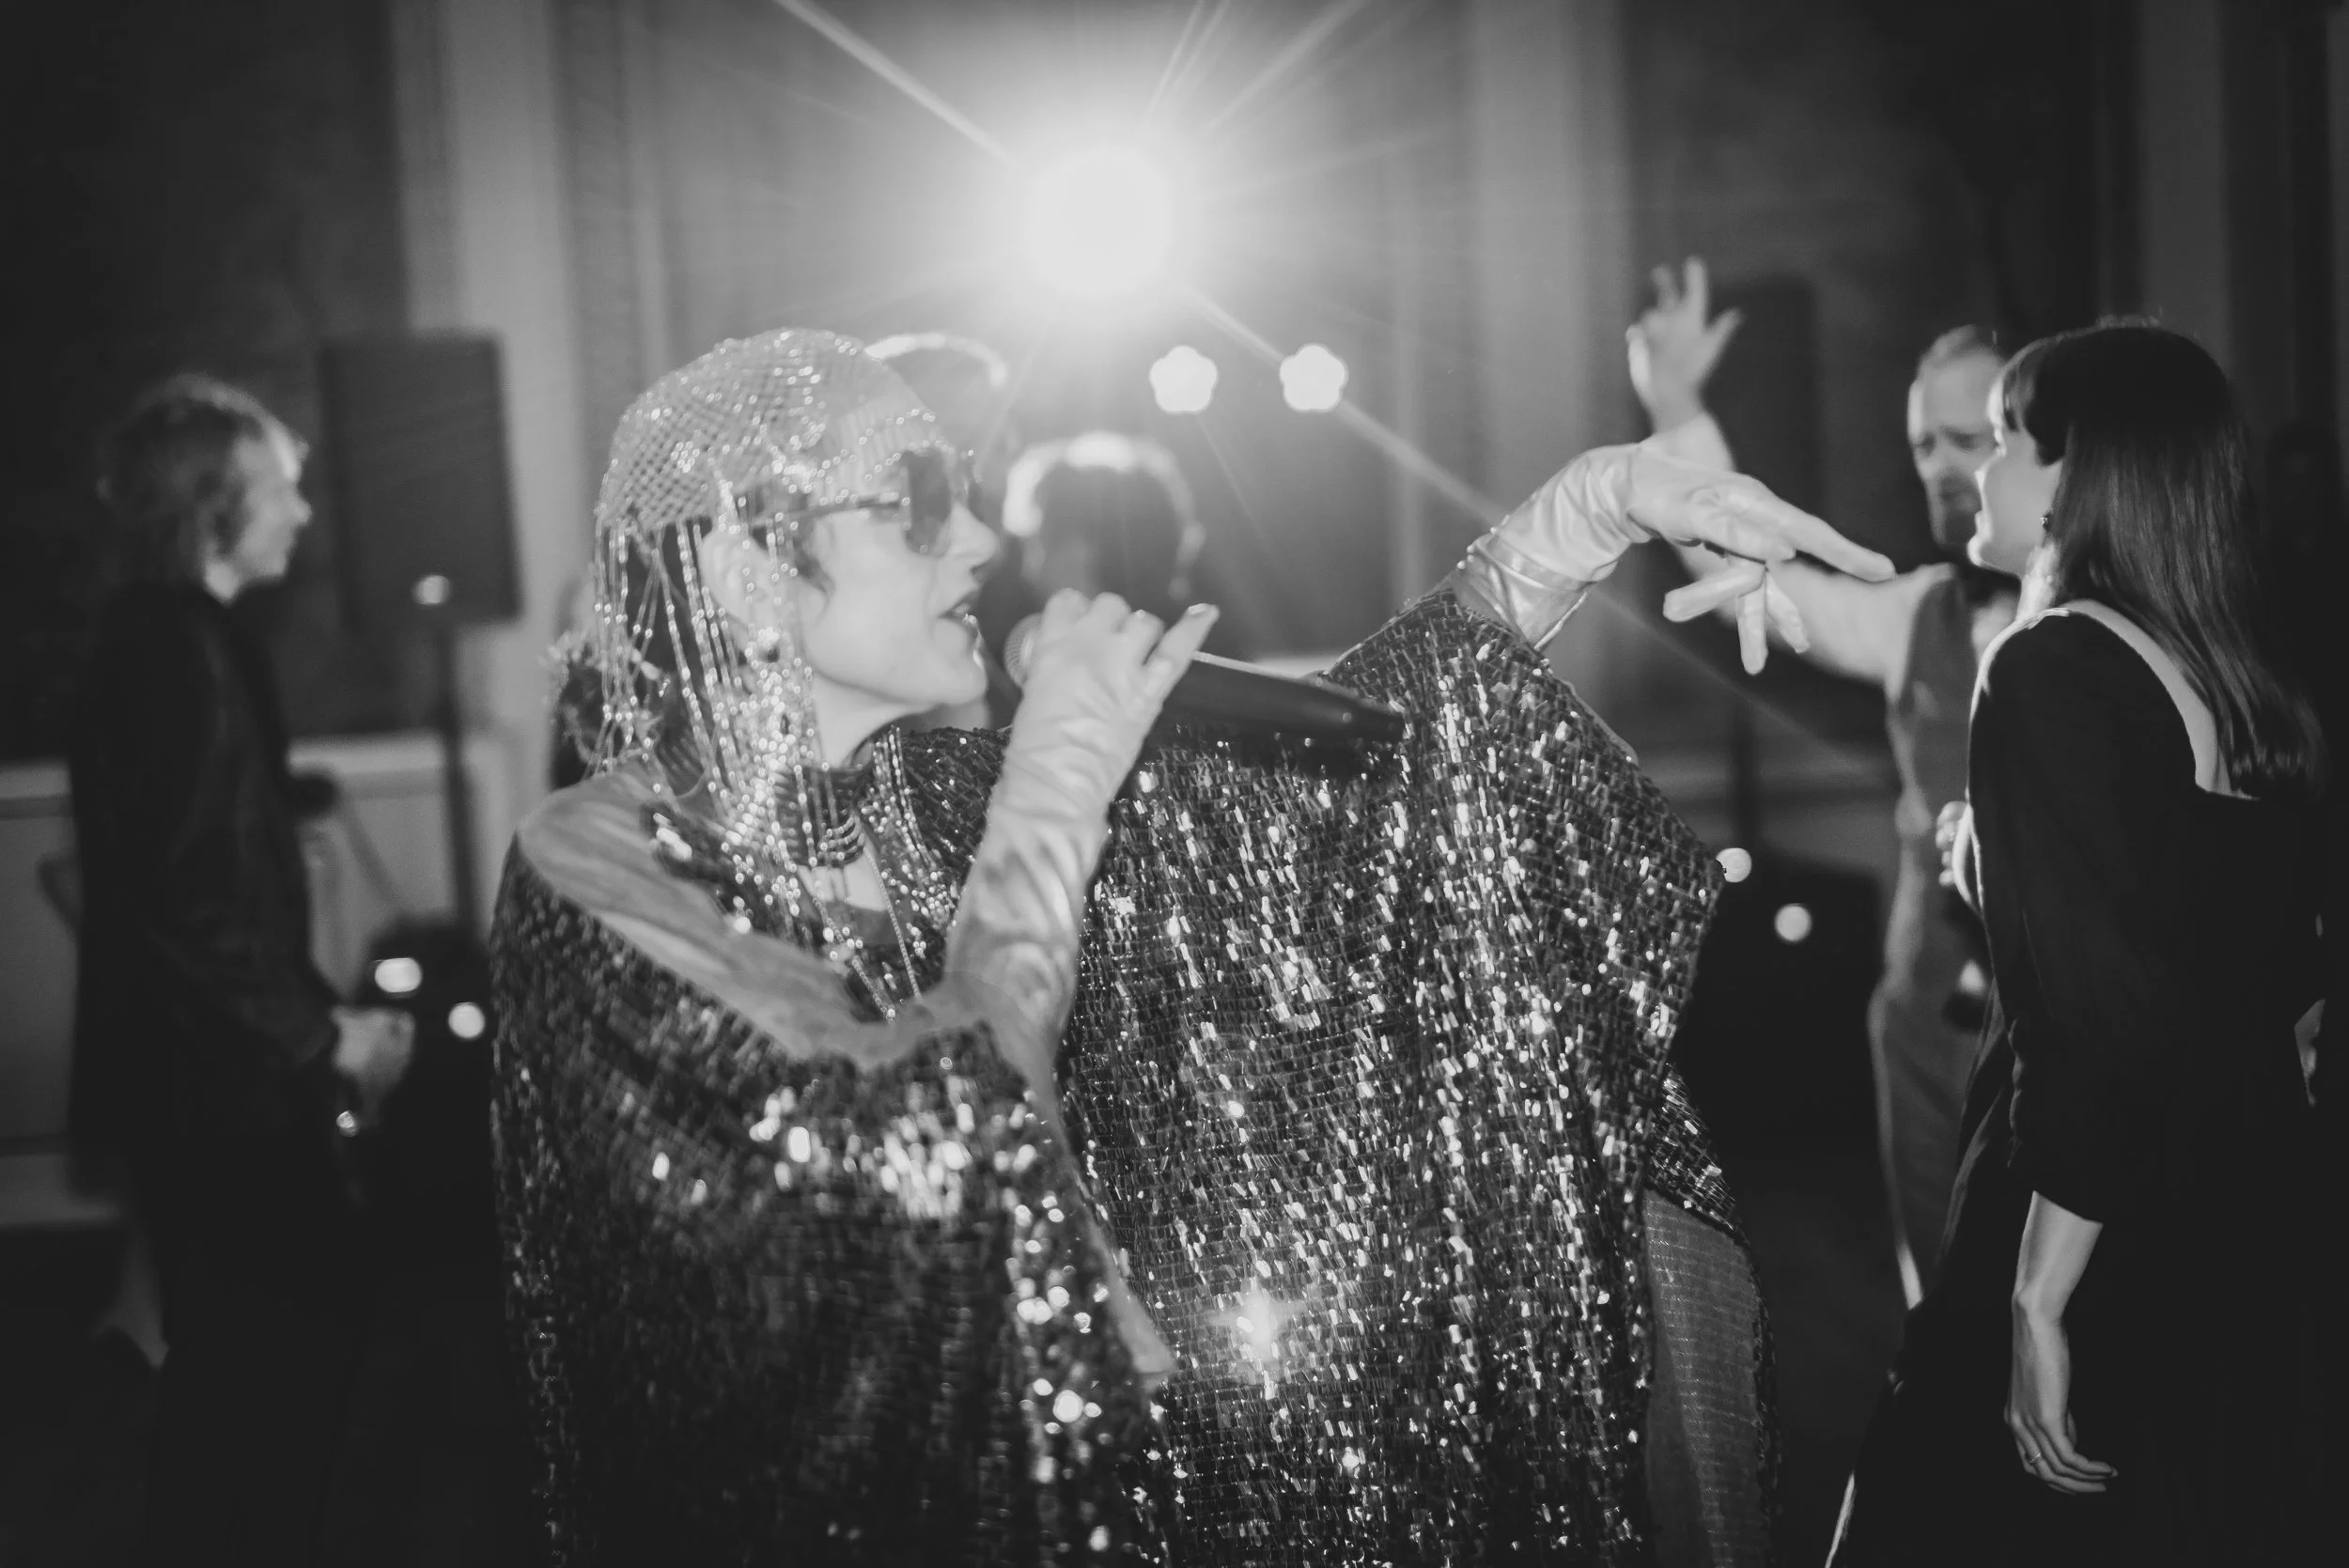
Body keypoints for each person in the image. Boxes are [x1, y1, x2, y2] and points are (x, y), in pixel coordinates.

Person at [491, 328, 1895, 1563]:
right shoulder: (598, 869)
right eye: (921, 507)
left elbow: (1348, 801)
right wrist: (1053, 781)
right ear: (746, 571)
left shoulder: (924, 807)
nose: (980, 541)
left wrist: (1591, 509)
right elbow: (916, 1159)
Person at [1830, 323, 2328, 1565]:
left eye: (2003, 441)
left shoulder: (2045, 668)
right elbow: (2253, 971)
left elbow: (2101, 1020)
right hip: (2234, 1220)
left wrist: (2039, 1292)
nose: (1975, 474)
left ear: (2077, 476)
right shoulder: (2226, 673)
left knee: (1912, 1509)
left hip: (2081, 1207)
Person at [69, 374, 416, 1562]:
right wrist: (324, 1042)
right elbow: (183, 904)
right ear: (215, 505)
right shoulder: (169, 649)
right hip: (208, 1087)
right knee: (263, 1375)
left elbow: (216, 894)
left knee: (262, 1366)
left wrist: (329, 1022)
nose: (304, 514)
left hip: (212, 1071)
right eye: (281, 487)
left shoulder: (180, 634)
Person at [1630, 259, 2022, 1302]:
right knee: (1944, 1318)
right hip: (1926, 1026)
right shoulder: (1919, 612)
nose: (1940, 466)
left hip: (2053, 1045)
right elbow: (1750, 588)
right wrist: (1674, 409)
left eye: (1969, 441)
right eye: (1921, 445)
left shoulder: (2105, 623)